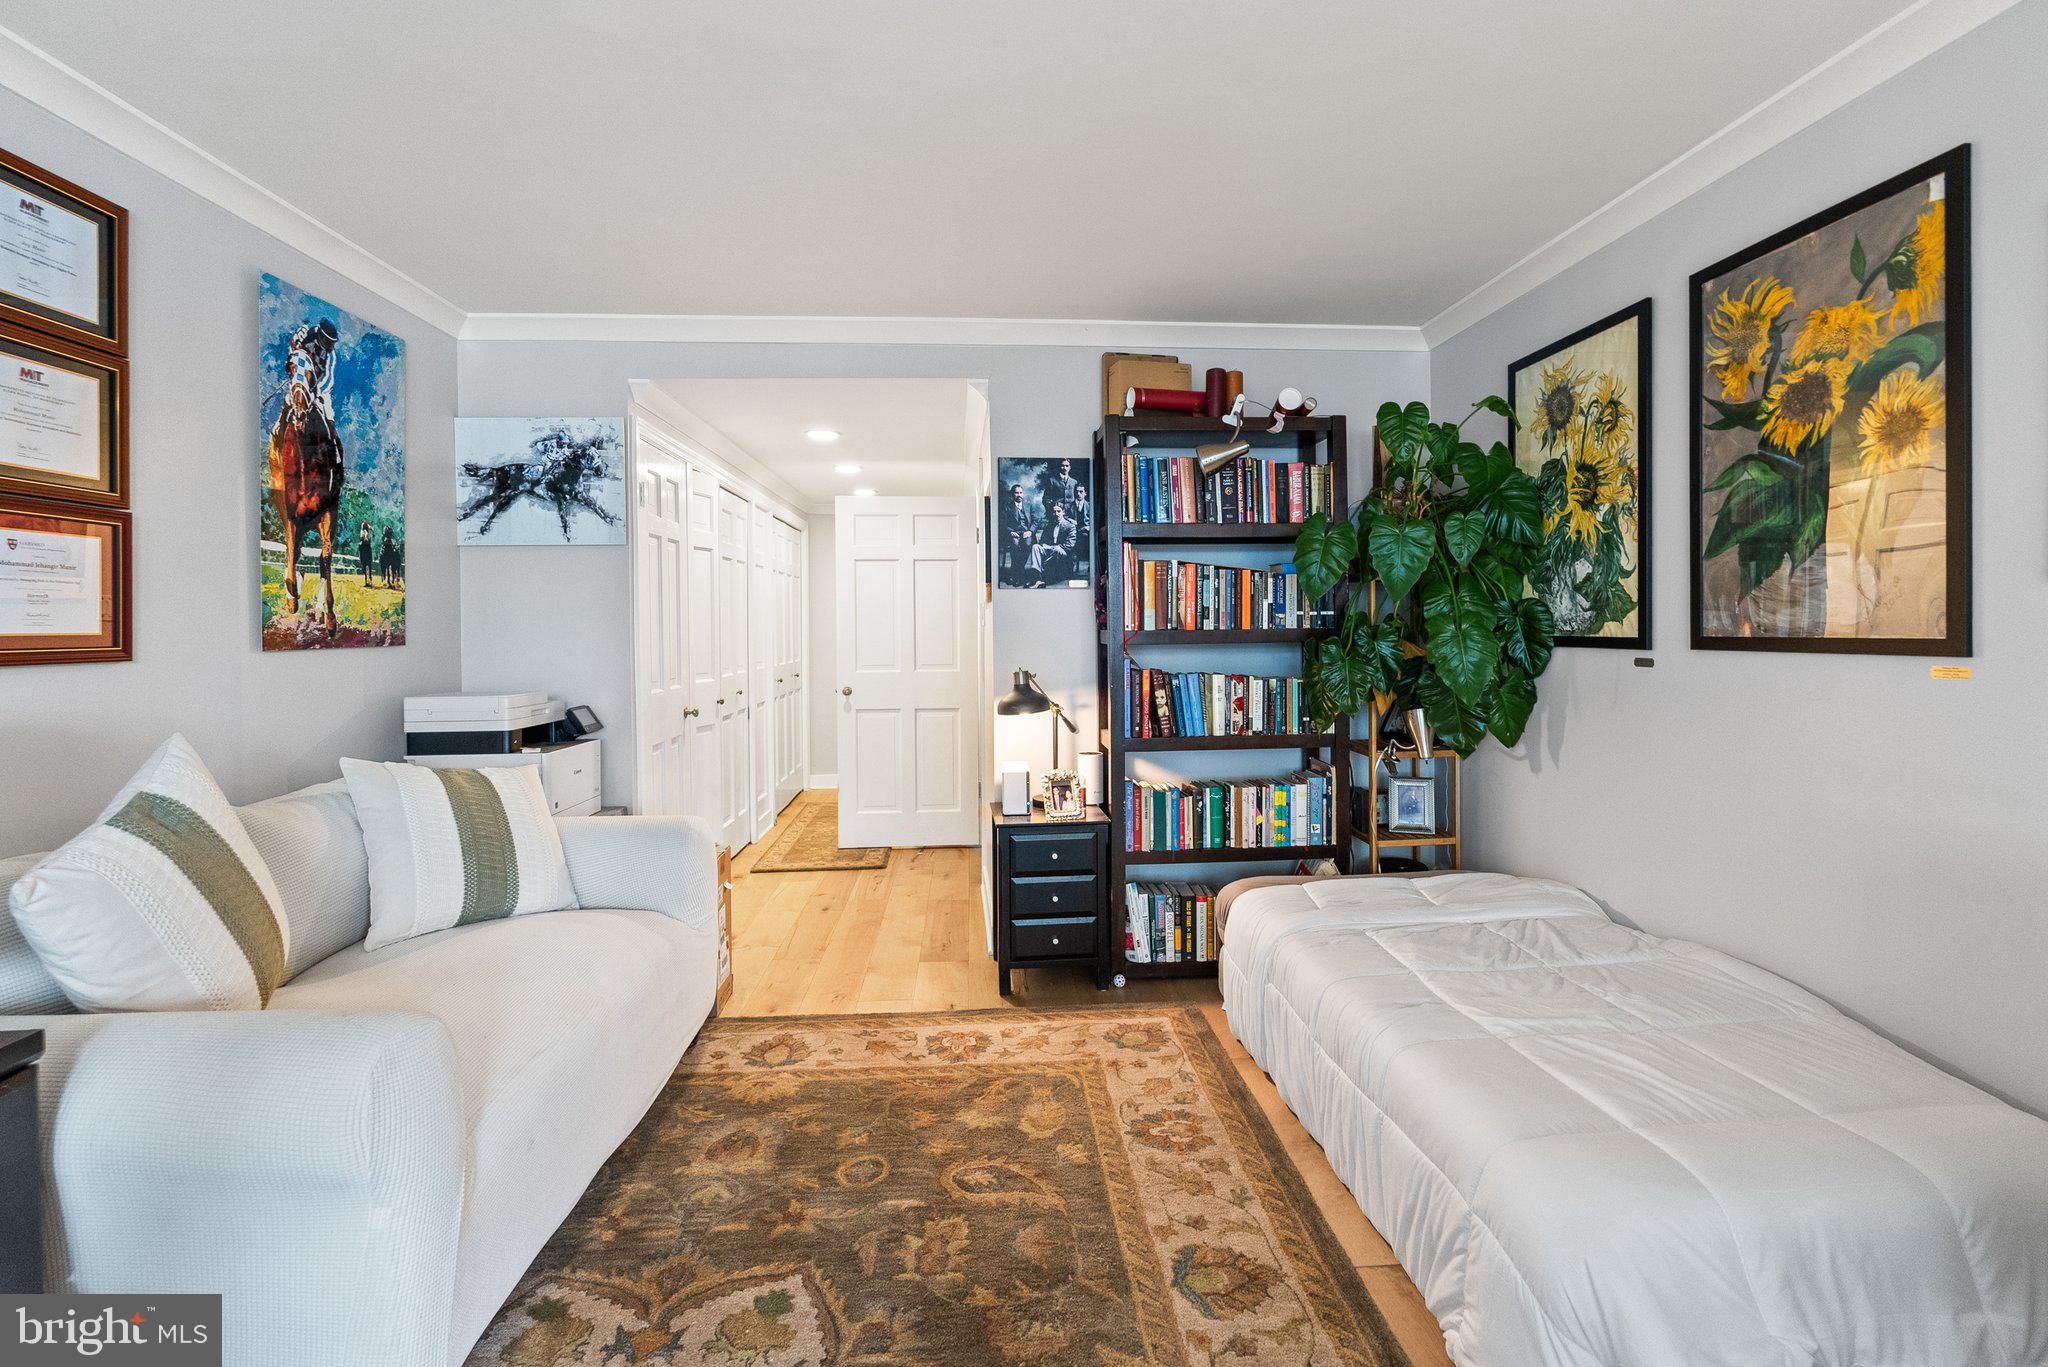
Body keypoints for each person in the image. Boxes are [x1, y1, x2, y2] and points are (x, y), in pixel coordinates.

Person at [357, 519, 375, 587]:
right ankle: (368, 580)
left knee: (366, 564)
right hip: (366, 548)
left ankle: (368, 580)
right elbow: (362, 538)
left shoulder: (365, 531)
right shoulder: (363, 531)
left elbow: (371, 530)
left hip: (365, 548)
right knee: (367, 565)